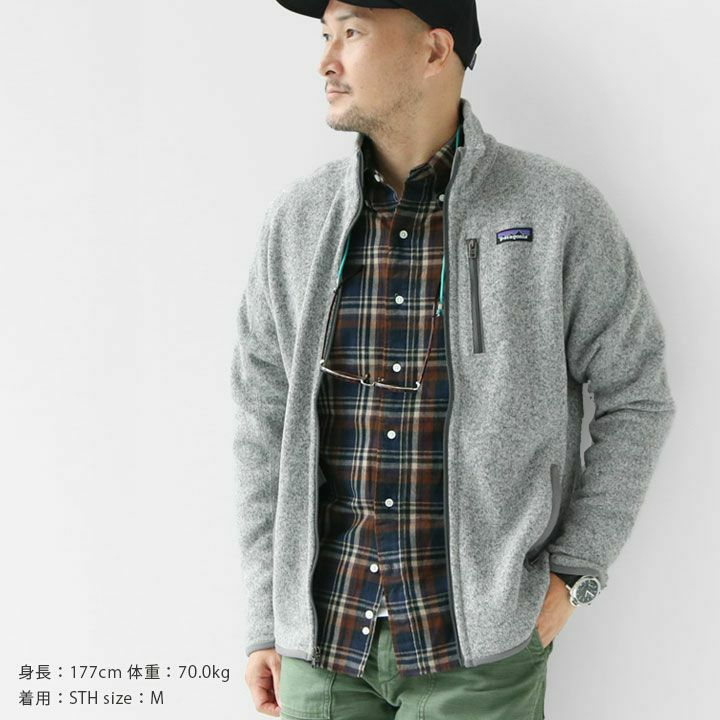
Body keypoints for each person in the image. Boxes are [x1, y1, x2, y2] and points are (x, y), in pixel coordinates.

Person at [231, 1, 676, 717]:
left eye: (352, 33)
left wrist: (575, 574)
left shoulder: (555, 209)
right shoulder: (298, 221)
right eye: (325, 35)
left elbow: (637, 394)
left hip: (480, 660)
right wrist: (264, 616)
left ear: (435, 50)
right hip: (320, 652)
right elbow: (262, 422)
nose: (326, 61)